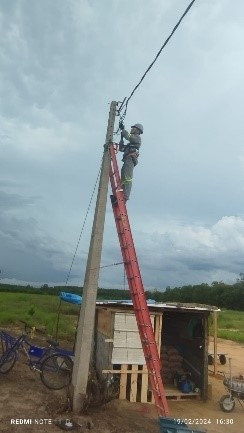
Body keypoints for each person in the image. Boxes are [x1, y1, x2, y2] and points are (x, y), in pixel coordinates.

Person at [118, 122, 143, 201]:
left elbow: (129, 136)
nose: (132, 129)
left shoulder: (137, 137)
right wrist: (121, 139)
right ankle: (121, 193)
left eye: (133, 128)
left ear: (138, 131)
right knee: (123, 178)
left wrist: (123, 130)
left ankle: (125, 196)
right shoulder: (130, 144)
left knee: (127, 178)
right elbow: (121, 149)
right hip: (127, 160)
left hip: (130, 159)